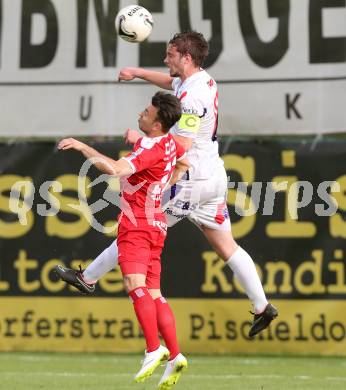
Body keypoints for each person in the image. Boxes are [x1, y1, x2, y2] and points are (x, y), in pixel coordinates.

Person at [55, 31, 278, 338]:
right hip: (212, 176)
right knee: (226, 245)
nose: (165, 59)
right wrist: (138, 73)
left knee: (136, 226)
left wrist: (142, 140)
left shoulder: (192, 98)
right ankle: (263, 305)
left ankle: (89, 278)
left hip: (189, 180)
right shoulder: (198, 80)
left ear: (186, 58)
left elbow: (182, 145)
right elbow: (169, 82)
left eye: (170, 54)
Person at [56, 92, 189, 389]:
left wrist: (81, 147)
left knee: (134, 286)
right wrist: (161, 184)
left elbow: (114, 169)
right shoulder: (168, 142)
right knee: (154, 294)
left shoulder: (151, 148)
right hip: (157, 222)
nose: (141, 114)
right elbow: (184, 163)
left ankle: (154, 349)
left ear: (156, 124)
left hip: (137, 224)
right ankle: (176, 354)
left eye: (146, 112)